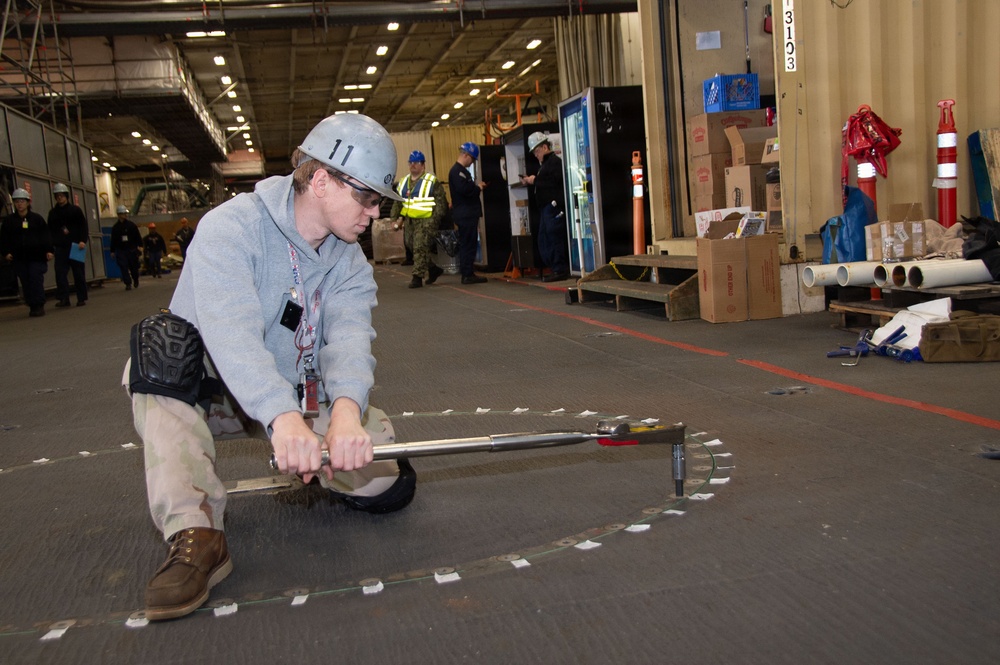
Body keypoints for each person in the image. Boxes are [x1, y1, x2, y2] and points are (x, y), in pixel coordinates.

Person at [123, 113, 416, 621]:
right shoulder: (230, 228)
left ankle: (326, 467)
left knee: (386, 484)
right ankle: (197, 534)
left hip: (300, 391)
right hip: (212, 393)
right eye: (367, 197)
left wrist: (346, 414)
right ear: (321, 180)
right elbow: (233, 338)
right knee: (156, 355)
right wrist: (283, 422)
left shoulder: (349, 260)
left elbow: (349, 340)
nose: (374, 212)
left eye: (379, 201)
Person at [389, 150, 447, 288]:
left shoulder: (431, 181)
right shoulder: (403, 182)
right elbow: (398, 202)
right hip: (410, 221)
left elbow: (441, 202)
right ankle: (433, 269)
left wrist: (435, 219)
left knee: (419, 246)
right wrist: (394, 218)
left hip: (426, 221)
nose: (413, 165)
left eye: (417, 162)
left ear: (423, 165)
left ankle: (417, 277)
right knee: (411, 245)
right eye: (411, 162)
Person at [520, 132, 569, 282]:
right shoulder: (546, 165)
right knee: (545, 239)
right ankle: (555, 267)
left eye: (537, 151)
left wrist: (535, 180)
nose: (536, 155)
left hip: (553, 208)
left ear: (545, 147)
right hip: (546, 209)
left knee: (554, 238)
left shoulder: (554, 163)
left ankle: (559, 269)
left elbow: (554, 183)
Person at [0, 188, 53, 317]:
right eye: (17, 201)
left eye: (22, 201)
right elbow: (3, 239)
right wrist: (5, 252)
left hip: (37, 257)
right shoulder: (9, 222)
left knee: (35, 279)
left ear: (28, 203)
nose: (20, 204)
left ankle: (39, 305)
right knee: (25, 281)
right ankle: (32, 304)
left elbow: (45, 236)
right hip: (19, 258)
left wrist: (49, 250)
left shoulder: (36, 219)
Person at [448, 141, 488, 284]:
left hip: (466, 213)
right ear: (466, 155)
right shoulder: (457, 172)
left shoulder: (460, 172)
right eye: (471, 159)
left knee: (469, 243)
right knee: (468, 244)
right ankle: (467, 274)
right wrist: (478, 188)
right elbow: (465, 191)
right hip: (466, 214)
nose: (471, 163)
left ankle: (468, 272)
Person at [47, 182, 89, 307]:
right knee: (60, 273)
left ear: (66, 196)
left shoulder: (75, 211)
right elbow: (50, 231)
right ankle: (64, 298)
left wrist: (82, 240)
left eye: (62, 195)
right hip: (60, 247)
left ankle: (81, 298)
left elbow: (83, 226)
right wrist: (51, 247)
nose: (59, 198)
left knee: (78, 273)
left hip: (76, 246)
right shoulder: (53, 213)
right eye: (57, 195)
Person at [110, 205, 142, 290]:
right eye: (123, 213)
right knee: (123, 267)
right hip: (121, 250)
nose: (125, 215)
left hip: (131, 249)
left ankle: (135, 279)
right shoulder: (115, 228)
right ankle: (128, 283)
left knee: (133, 267)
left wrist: (140, 246)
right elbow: (113, 240)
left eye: (125, 213)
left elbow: (137, 236)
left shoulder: (131, 226)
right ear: (119, 214)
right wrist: (112, 251)